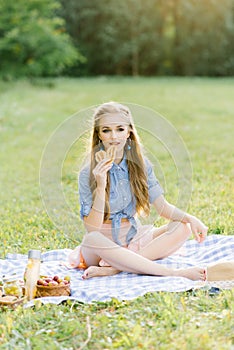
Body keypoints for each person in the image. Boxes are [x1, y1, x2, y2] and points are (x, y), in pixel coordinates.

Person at [69, 101, 208, 280]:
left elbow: (163, 208)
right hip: (100, 248)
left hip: (132, 239)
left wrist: (191, 218)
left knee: (182, 227)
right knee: (91, 238)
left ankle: (116, 269)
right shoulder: (87, 173)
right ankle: (174, 273)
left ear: (129, 132)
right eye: (106, 130)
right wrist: (101, 184)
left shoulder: (141, 166)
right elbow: (91, 228)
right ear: (99, 135)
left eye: (120, 129)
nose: (113, 136)